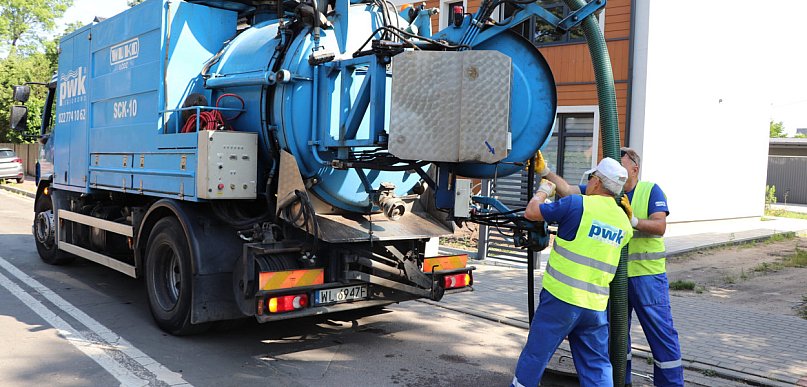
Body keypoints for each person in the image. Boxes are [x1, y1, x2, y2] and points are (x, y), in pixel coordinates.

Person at [534, 148, 684, 386]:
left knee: (661, 337)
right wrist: (545, 171)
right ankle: (621, 382)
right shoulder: (605, 191)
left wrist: (633, 220)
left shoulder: (650, 190)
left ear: (635, 168)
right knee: (617, 338)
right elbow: (568, 190)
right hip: (616, 279)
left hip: (647, 278)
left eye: (621, 164)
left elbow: (660, 226)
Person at [512, 157, 633, 387]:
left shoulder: (578, 205)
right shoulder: (624, 223)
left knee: (536, 354)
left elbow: (531, 212)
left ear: (596, 182)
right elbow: (568, 190)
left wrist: (543, 190)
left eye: (591, 178)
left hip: (561, 299)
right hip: (595, 307)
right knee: (596, 365)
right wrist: (546, 171)